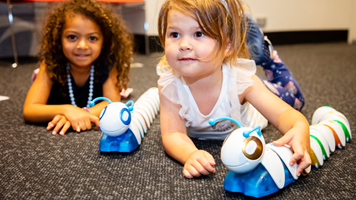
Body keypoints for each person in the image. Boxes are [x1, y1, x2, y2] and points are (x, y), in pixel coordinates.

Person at [156, 0, 311, 179]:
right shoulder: (169, 84)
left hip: (251, 91)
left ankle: (269, 57)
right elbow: (173, 134)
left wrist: (300, 127)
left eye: (198, 33)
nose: (183, 45)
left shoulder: (242, 82)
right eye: (174, 34)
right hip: (231, 75)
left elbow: (284, 114)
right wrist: (190, 154)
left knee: (295, 99)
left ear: (227, 45)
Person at [23, 0, 133, 136]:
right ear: (59, 39)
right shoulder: (51, 64)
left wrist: (80, 114)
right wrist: (67, 110)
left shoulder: (108, 63)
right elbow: (30, 109)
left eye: (92, 38)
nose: (82, 46)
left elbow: (111, 103)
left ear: (104, 41)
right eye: (72, 37)